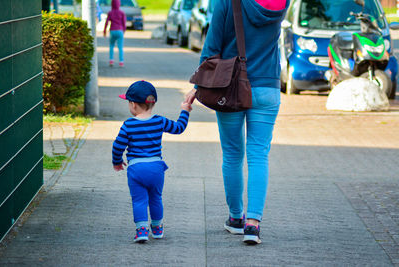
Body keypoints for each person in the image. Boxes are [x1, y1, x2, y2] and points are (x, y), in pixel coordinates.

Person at [185, 0, 289, 245]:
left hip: (230, 87)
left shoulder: (225, 2)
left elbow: (211, 48)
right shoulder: (282, 2)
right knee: (258, 155)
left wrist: (198, 85)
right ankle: (253, 224)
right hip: (268, 88)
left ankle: (235, 219)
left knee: (232, 154)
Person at [112, 80, 192, 243]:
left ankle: (142, 231)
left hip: (136, 169)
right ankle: (157, 228)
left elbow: (118, 145)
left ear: (133, 104)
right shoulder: (160, 121)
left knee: (139, 200)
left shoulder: (128, 125)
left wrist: (117, 161)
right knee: (156, 198)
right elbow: (179, 128)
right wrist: (185, 110)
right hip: (156, 168)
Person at [103, 0, 126, 67]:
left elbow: (107, 22)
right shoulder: (122, 13)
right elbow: (124, 23)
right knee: (120, 47)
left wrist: (104, 31)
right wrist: (124, 30)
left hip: (112, 31)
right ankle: (121, 62)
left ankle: (111, 60)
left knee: (111, 46)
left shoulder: (110, 13)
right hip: (120, 31)